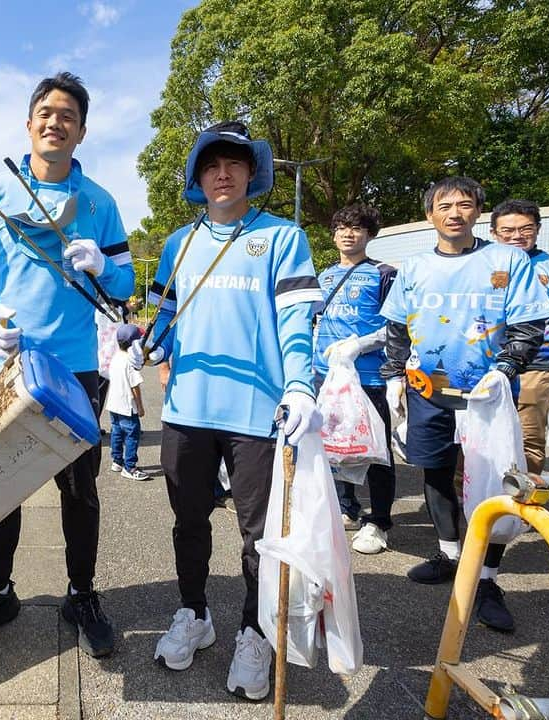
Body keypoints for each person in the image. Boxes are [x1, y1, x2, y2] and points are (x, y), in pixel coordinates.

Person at [0, 72, 135, 658]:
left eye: (69, 117)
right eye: (46, 113)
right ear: (29, 122)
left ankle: (81, 593)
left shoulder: (101, 203)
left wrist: (102, 270)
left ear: (81, 132)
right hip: (2, 364)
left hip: (76, 369)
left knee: (79, 490)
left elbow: (127, 281)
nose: (56, 123)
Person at [138, 121, 323, 699]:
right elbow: (164, 325)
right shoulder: (178, 243)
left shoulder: (283, 236)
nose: (223, 172)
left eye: (235, 163)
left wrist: (300, 384)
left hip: (257, 413)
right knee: (188, 522)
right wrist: (142, 341)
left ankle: (253, 630)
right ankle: (195, 614)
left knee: (257, 536)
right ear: (198, 177)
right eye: (211, 164)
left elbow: (296, 321)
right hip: (187, 409)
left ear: (251, 174)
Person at [380, 176, 549, 633]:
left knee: (492, 484)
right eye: (444, 206)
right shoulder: (413, 267)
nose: (454, 212)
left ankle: (489, 580)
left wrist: (507, 368)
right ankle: (450, 555)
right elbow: (397, 328)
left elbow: (529, 325)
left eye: (464, 204)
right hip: (428, 393)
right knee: (435, 473)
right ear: (429, 215)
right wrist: (393, 378)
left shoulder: (507, 260)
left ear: (478, 211)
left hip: (488, 398)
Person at [313, 203, 398, 554]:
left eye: (358, 228)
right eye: (342, 227)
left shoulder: (385, 273)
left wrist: (360, 345)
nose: (349, 233)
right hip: (326, 375)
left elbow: (397, 325)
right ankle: (347, 507)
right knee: (334, 446)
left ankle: (379, 521)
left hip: (369, 376)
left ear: (370, 234)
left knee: (376, 450)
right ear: (334, 235)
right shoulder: (324, 276)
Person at [490, 198, 549, 474]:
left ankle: (525, 510)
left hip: (537, 366)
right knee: (475, 438)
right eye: (507, 230)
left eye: (525, 228)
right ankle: (473, 507)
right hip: (485, 364)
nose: (517, 235)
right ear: (494, 233)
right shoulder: (481, 266)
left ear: (538, 229)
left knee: (527, 439)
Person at [105, 323, 148, 480]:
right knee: (132, 435)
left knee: (116, 431)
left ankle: (117, 461)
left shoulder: (116, 357)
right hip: (127, 405)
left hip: (113, 403)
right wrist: (140, 407)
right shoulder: (130, 362)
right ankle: (130, 467)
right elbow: (134, 386)